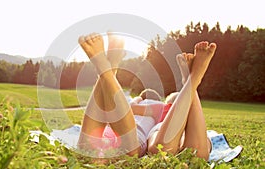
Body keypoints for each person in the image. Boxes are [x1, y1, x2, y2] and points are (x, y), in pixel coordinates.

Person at [77, 31, 217, 160]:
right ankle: (192, 81)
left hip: (124, 132)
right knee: (138, 151)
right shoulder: (158, 111)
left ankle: (108, 68)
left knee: (86, 149)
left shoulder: (157, 109)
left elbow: (129, 109)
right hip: (135, 134)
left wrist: (138, 100)